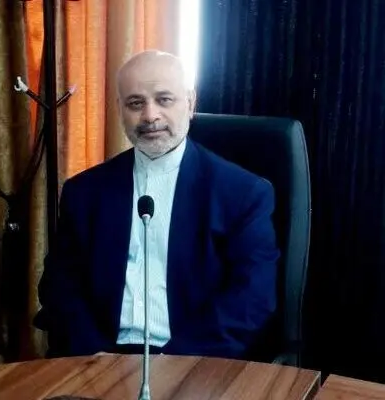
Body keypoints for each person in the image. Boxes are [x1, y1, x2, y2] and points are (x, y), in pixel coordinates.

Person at [34, 50, 279, 360]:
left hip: (197, 359)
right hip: (98, 358)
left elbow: (251, 297)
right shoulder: (84, 191)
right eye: (136, 103)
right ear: (120, 110)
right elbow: (59, 285)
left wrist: (174, 363)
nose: (150, 116)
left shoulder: (243, 193)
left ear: (190, 102)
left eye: (164, 100)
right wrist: (94, 356)